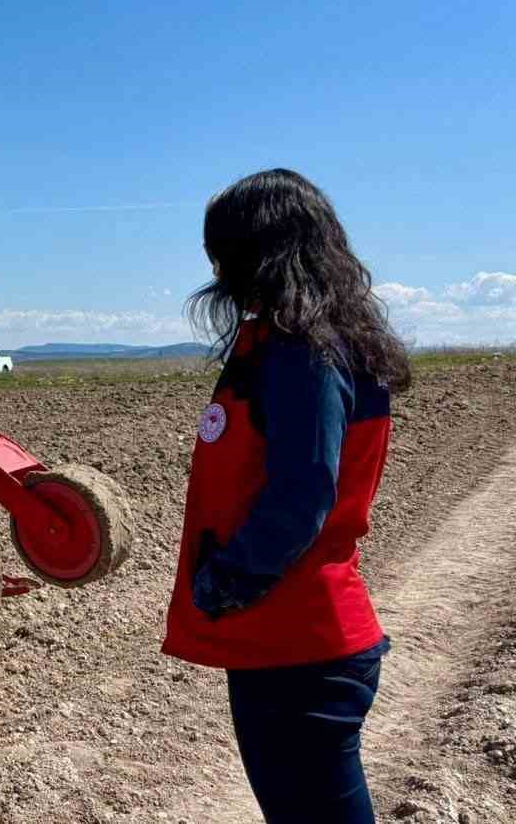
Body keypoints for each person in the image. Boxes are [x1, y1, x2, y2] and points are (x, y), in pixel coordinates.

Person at [163, 168, 411, 824]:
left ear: (259, 252)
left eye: (222, 250)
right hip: (293, 641)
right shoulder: (300, 343)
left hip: (299, 647)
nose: (216, 267)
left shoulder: (303, 354)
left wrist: (226, 581)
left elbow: (303, 493)